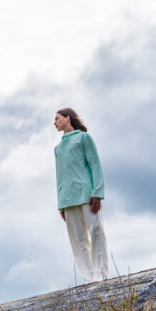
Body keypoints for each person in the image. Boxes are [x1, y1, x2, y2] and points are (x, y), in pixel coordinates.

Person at [53, 108, 109, 283]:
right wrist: (60, 204)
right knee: (78, 239)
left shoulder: (84, 138)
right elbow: (59, 176)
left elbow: (94, 164)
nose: (54, 122)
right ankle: (88, 276)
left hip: (87, 194)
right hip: (68, 199)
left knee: (97, 231)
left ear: (67, 118)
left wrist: (97, 192)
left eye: (57, 119)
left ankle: (100, 274)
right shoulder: (58, 148)